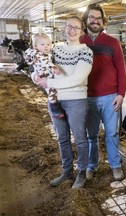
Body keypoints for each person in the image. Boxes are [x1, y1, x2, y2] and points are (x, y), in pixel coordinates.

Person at [36, 16, 93, 189]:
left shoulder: (86, 52)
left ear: (82, 32)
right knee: (62, 138)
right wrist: (36, 77)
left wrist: (50, 83)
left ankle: (81, 172)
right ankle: (67, 170)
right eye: (69, 26)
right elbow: (42, 65)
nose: (71, 30)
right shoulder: (56, 50)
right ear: (64, 28)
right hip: (55, 100)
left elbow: (77, 78)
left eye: (76, 27)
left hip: (76, 100)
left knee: (80, 138)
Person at [81, 4, 126, 181]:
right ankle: (92, 166)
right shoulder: (79, 42)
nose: (95, 20)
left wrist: (121, 93)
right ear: (86, 20)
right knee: (91, 135)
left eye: (98, 18)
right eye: (92, 17)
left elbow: (121, 70)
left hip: (110, 98)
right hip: (88, 98)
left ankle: (115, 165)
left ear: (103, 21)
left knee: (112, 133)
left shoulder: (112, 42)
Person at [24, 33, 65, 119]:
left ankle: (56, 106)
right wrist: (55, 67)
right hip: (44, 75)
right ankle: (55, 110)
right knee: (52, 91)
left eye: (48, 44)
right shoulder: (38, 55)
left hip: (48, 75)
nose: (46, 46)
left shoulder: (47, 53)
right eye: (42, 44)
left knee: (53, 90)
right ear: (36, 46)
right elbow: (46, 62)